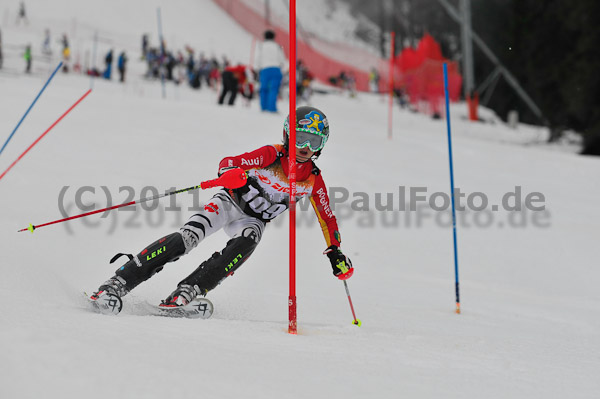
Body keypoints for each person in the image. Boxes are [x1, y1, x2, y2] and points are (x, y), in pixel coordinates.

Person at [89, 106, 353, 312]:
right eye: (301, 138)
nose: (306, 148)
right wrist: (230, 173)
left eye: (315, 142)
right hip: (229, 203)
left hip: (253, 220)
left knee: (249, 240)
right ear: (288, 134)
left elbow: (327, 218)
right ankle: (120, 281)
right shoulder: (271, 154)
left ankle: (190, 289)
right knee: (188, 238)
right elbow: (230, 162)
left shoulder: (312, 180)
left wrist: (335, 251)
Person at [257, 30, 285, 112]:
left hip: (265, 69)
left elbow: (257, 58)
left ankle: (263, 107)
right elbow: (282, 59)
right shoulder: (277, 46)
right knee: (273, 89)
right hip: (276, 69)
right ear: (273, 37)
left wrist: (257, 68)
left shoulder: (261, 46)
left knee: (264, 89)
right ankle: (272, 108)